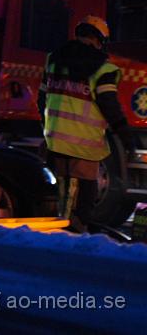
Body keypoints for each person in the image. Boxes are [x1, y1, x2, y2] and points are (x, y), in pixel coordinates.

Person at [38, 15, 136, 232]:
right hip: (84, 142)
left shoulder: (54, 60)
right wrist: (125, 135)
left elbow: (42, 98)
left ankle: (58, 225)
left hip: (55, 138)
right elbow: (109, 105)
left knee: (61, 186)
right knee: (86, 187)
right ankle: (78, 229)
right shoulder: (103, 69)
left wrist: (48, 127)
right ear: (99, 40)